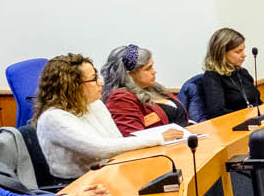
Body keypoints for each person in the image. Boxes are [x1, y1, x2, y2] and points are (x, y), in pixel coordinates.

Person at [34, 52, 184, 180]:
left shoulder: (94, 104)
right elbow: (100, 149)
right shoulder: (53, 118)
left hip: (107, 172)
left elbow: (116, 142)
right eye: (93, 79)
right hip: (76, 183)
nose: (100, 82)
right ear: (72, 86)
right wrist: (158, 139)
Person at [102, 43, 188, 133]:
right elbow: (133, 136)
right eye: (148, 68)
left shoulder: (153, 88)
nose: (154, 71)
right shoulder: (120, 99)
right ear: (129, 74)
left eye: (153, 66)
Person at [178, 28, 260, 121]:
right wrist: (246, 115)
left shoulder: (242, 72)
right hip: (233, 126)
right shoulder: (212, 77)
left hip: (253, 121)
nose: (244, 55)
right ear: (222, 53)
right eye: (238, 51)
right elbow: (217, 113)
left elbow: (258, 102)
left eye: (243, 50)